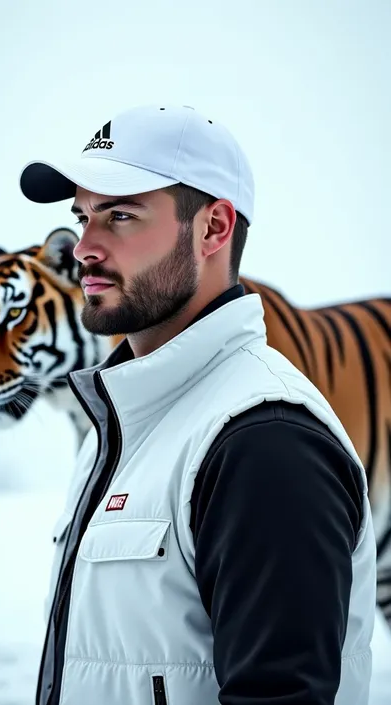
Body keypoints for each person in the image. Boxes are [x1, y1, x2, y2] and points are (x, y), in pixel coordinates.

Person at [19, 104, 376, 705]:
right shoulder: (128, 421)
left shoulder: (263, 440)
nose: (84, 247)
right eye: (82, 217)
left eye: (121, 214)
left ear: (213, 228)